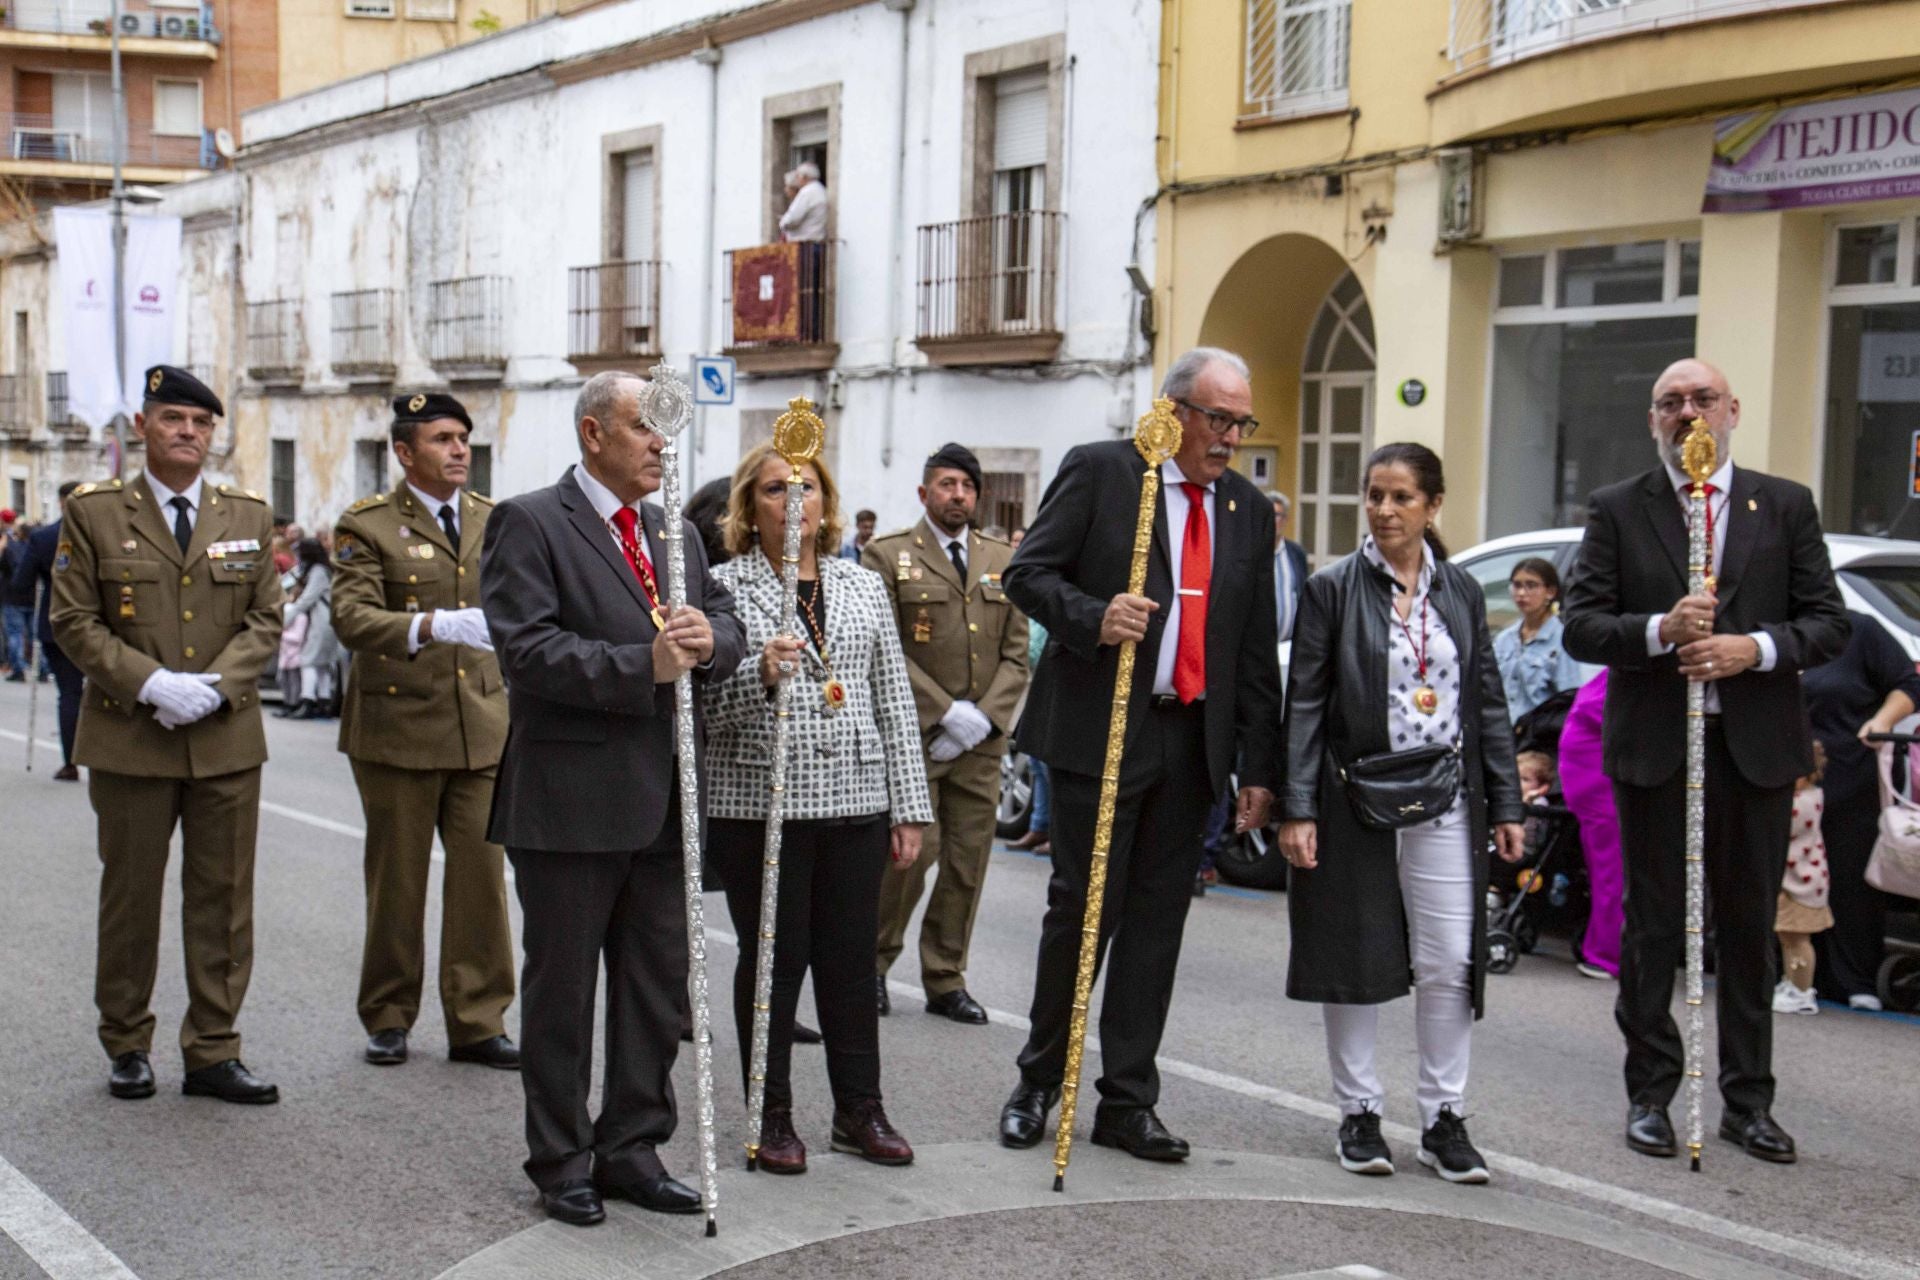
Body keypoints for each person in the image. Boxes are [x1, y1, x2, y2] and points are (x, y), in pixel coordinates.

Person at [1561, 357, 1848, 1166]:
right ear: (1653, 419)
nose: (1687, 413)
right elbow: (1584, 625)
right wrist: (1660, 630)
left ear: (1732, 411)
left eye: (1702, 400)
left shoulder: (1783, 505)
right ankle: (1652, 1094)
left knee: (1749, 928)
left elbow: (1828, 624)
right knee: (1653, 927)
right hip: (1657, 749)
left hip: (1751, 749)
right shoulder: (1620, 508)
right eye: (1669, 402)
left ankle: (1748, 1103)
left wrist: (1749, 649)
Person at [998, 348, 1281, 1162]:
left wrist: (1257, 767)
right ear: (1176, 410)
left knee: (1158, 927)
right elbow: (1027, 572)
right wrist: (1094, 615)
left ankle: (1127, 1100)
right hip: (1103, 728)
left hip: (1192, 740)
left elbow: (1253, 649)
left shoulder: (1247, 513)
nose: (1229, 438)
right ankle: (1040, 1080)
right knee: (1084, 911)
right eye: (1217, 419)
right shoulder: (1105, 473)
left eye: (1240, 423)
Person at [480, 370, 745, 1227]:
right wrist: (647, 666)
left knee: (655, 989)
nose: (661, 444)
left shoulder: (677, 532)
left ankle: (632, 1146)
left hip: (668, 800)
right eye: (644, 427)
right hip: (571, 800)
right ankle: (561, 1159)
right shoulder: (529, 522)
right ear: (595, 434)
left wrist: (714, 642)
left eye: (665, 429)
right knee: (564, 993)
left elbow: (723, 620)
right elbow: (527, 651)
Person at [1278, 442, 1524, 1184]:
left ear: (1433, 506)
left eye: (1402, 498)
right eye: (1375, 496)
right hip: (1354, 794)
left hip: (1446, 796)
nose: (1385, 511)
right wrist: (1297, 806)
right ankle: (1358, 1112)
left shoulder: (1460, 592)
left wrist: (1507, 799)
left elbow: (1486, 702)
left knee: (1449, 959)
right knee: (1355, 958)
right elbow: (1308, 705)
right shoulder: (1332, 589)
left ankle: (1443, 1118)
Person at [50, 365, 283, 1105]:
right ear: (144, 427)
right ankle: (127, 1042)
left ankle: (214, 1049)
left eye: (201, 422)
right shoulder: (94, 514)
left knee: (223, 900)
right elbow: (72, 620)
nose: (189, 432)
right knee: (131, 898)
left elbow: (265, 620)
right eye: (174, 419)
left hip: (224, 738)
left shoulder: (246, 514)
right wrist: (151, 683)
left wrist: (214, 687)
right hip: (131, 737)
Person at [702, 442, 932, 1173]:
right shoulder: (722, 585)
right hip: (760, 801)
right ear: (749, 507)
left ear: (826, 505)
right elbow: (704, 706)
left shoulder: (861, 585)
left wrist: (909, 805)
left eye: (806, 488)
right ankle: (770, 1115)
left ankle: (859, 1108)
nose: (793, 501)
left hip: (857, 800)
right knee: (775, 960)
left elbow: (892, 697)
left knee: (849, 960)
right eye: (775, 489)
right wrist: (759, 676)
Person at [330, 392, 518, 1071]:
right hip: (398, 729)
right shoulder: (367, 525)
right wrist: (430, 625)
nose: (460, 449)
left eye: (463, 438)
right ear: (405, 452)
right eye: (442, 439)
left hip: (482, 729)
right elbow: (350, 618)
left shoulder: (495, 520)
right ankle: (387, 1014)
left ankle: (477, 1019)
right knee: (398, 884)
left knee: (480, 883)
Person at [866, 443, 1029, 1025]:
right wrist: (942, 713)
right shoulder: (887, 557)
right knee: (912, 855)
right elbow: (882, 647)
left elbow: (1017, 654)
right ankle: (874, 964)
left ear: (977, 495)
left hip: (980, 743)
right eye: (946, 484)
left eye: (966, 486)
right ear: (923, 493)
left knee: (967, 861)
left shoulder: (1004, 560)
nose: (957, 495)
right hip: (916, 739)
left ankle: (945, 976)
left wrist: (982, 719)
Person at [1801, 610, 1920, 1008]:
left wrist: (1880, 721)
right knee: (1785, 881)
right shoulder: (1764, 631)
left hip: (1849, 777)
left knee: (1850, 880)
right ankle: (1793, 973)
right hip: (1782, 783)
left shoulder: (1858, 630)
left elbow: (1908, 684)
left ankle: (1855, 981)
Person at [13, 482, 87, 778]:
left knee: (69, 693)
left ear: (60, 503)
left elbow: (22, 583)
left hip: (59, 623)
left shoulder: (43, 537)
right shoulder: (105, 533)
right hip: (105, 625)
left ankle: (70, 762)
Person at [1557, 670, 1624, 980]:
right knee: (1612, 871)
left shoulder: (1608, 677)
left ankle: (1604, 949)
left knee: (1607, 871)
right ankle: (1607, 953)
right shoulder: (1615, 681)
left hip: (1588, 778)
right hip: (1599, 782)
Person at [1773, 744, 1831, 1017]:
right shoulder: (1802, 797)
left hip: (1801, 885)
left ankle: (1802, 990)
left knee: (1797, 940)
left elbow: (1782, 829)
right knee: (1787, 937)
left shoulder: (1803, 803)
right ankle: (1791, 982)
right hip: (1794, 882)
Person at [1493, 557, 1584, 720]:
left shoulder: (1562, 640)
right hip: (1504, 735)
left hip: (1541, 736)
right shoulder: (1504, 639)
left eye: (1531, 585)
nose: (1521, 593)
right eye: (1517, 585)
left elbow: (1569, 699)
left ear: (1550, 592)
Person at [281, 538, 341, 719]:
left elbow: (307, 599)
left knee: (308, 660)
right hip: (327, 621)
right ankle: (323, 702)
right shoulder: (324, 569)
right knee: (322, 664)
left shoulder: (318, 572)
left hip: (321, 622)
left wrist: (285, 620)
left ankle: (308, 701)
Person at [2, 512, 40, 681]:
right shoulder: (35, 550)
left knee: (15, 633)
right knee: (34, 634)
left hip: (13, 597)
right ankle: (42, 668)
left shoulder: (10, 547)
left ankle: (18, 668)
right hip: (32, 598)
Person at [1268, 490, 1308, 644]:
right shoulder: (1252, 554)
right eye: (1269, 514)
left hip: (1289, 645)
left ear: (1285, 519)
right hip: (1261, 647)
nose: (1273, 520)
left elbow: (1302, 594)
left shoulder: (1296, 553)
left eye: (1278, 515)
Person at [779, 162, 829, 243]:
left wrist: (783, 223)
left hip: (804, 242)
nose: (797, 179)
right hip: (815, 240)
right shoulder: (820, 189)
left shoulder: (807, 192)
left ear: (804, 177)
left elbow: (793, 218)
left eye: (798, 176)